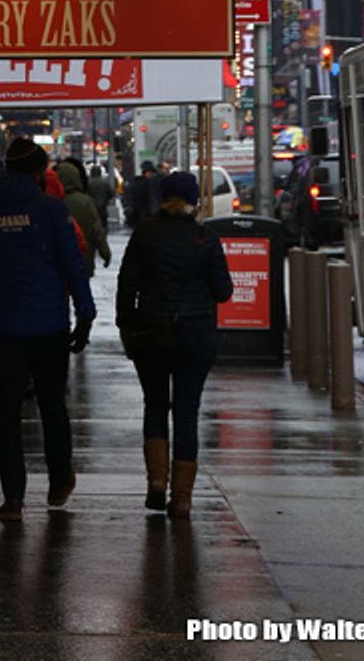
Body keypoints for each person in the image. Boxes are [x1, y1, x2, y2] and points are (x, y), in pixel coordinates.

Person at [0, 136, 96, 524]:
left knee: (6, 413)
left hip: (5, 328)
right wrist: (85, 315)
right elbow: (73, 265)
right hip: (49, 325)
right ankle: (58, 482)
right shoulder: (52, 211)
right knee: (52, 405)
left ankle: (13, 500)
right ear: (41, 173)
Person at [115, 169, 233, 520]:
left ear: (163, 198)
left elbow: (126, 286)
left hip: (151, 333)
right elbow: (224, 292)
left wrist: (127, 325)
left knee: (155, 405)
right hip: (195, 335)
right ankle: (181, 498)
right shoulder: (205, 239)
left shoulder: (145, 234)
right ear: (195, 201)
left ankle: (156, 481)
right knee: (187, 412)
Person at [53, 158, 112, 274]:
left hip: (58, 259)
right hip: (83, 256)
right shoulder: (85, 201)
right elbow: (97, 230)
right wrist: (105, 252)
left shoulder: (52, 201)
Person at [124, 159, 163, 228]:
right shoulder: (152, 183)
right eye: (150, 172)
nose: (151, 174)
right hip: (147, 214)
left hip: (143, 215)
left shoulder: (136, 183)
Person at [87, 164, 115, 231]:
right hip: (102, 207)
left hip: (91, 207)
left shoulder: (88, 182)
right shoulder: (104, 182)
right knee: (103, 224)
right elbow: (111, 193)